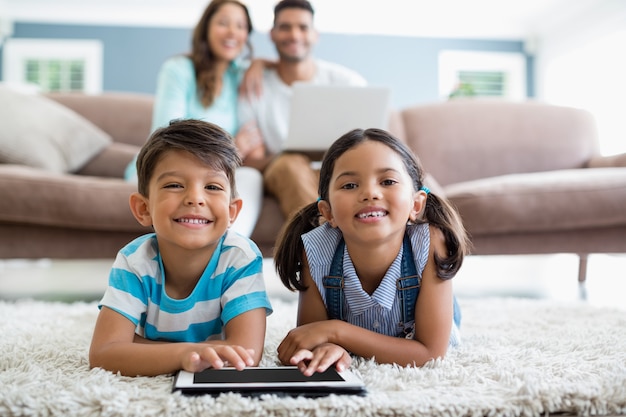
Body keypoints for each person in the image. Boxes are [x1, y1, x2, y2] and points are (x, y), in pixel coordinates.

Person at [274, 128, 470, 376]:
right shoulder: (316, 250)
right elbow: (312, 337)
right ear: (327, 212)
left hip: (428, 333)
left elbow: (430, 353)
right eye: (350, 185)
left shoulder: (430, 242)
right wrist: (332, 348)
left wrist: (337, 332)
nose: (370, 193)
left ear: (416, 204)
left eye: (387, 181)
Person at [90, 119, 273, 377]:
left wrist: (139, 349)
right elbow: (103, 353)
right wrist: (183, 355)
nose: (195, 198)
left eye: (212, 187)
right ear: (143, 209)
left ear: (232, 213)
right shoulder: (134, 261)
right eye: (174, 185)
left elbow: (245, 353)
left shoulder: (239, 257)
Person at [124, 0, 266, 238]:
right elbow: (165, 136)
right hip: (170, 166)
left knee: (251, 177)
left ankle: (226, 249)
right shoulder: (179, 69)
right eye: (223, 23)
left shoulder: (240, 77)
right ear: (206, 29)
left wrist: (261, 63)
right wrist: (234, 146)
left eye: (240, 26)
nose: (233, 32)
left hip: (213, 172)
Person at [238, 0, 367, 220]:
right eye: (285, 27)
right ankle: (321, 243)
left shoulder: (347, 81)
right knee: (289, 163)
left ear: (315, 34)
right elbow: (251, 160)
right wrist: (286, 156)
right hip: (285, 172)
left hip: (339, 167)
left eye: (303, 27)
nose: (294, 35)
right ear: (272, 34)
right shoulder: (254, 86)